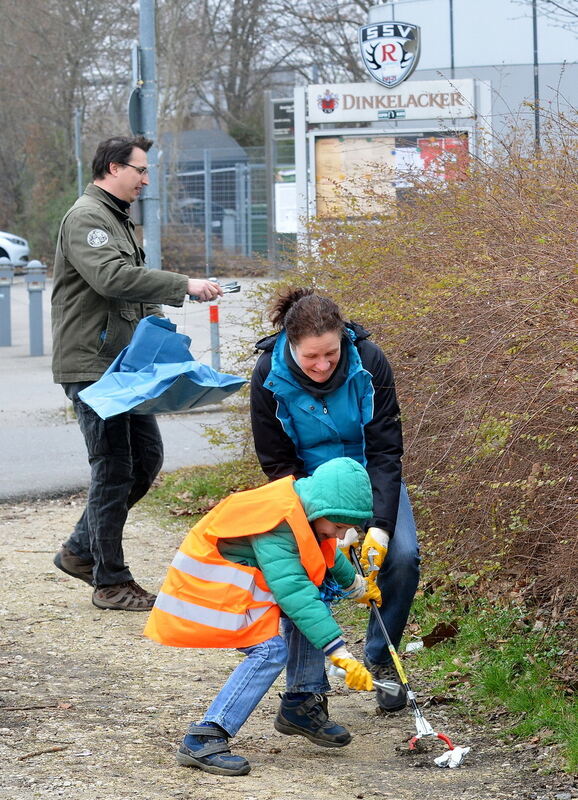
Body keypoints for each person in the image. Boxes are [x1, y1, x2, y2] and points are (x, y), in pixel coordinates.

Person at [51, 135, 222, 612]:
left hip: (123, 365)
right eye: (140, 170)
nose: (146, 180)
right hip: (93, 364)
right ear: (112, 168)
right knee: (113, 468)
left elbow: (130, 292)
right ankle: (110, 580)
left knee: (144, 460)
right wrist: (182, 285)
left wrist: (161, 335)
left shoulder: (117, 218)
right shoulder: (89, 218)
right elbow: (111, 278)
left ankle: (82, 550)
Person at [144, 457, 380, 776]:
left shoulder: (305, 509)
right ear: (320, 509)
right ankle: (203, 737)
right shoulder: (278, 524)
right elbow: (295, 592)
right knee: (271, 650)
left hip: (242, 584)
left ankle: (299, 705)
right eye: (338, 527)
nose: (340, 536)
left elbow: (326, 552)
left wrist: (357, 587)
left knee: (313, 609)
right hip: (210, 590)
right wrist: (339, 652)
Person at [250, 288, 420, 713]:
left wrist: (378, 524)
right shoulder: (267, 373)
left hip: (369, 478)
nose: (323, 365)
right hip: (307, 488)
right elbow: (276, 460)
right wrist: (326, 523)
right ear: (292, 346)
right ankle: (307, 696)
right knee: (306, 572)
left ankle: (381, 658)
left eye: (331, 353)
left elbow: (385, 448)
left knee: (402, 557)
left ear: (342, 338)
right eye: (312, 357)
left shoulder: (370, 360)